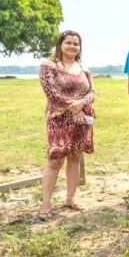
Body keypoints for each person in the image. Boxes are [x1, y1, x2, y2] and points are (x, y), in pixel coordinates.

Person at [38, 30, 96, 220]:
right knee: (55, 160)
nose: (72, 46)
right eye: (68, 42)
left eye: (76, 44)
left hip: (81, 120)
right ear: (60, 45)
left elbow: (92, 93)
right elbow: (52, 93)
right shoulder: (49, 66)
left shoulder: (83, 68)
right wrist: (74, 108)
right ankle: (46, 203)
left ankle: (71, 198)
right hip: (59, 119)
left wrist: (81, 104)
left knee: (75, 157)